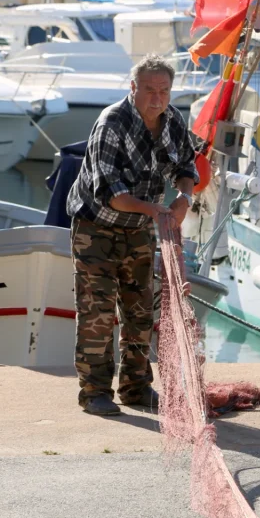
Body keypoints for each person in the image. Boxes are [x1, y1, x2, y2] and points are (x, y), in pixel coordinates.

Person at [66, 54, 197, 416]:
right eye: (149, 90)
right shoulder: (112, 122)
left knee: (140, 313)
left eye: (164, 91)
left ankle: (137, 389)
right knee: (98, 313)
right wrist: (158, 210)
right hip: (97, 228)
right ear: (133, 88)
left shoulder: (172, 120)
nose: (157, 98)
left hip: (139, 229)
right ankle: (94, 393)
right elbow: (113, 194)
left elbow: (186, 165)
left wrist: (184, 197)